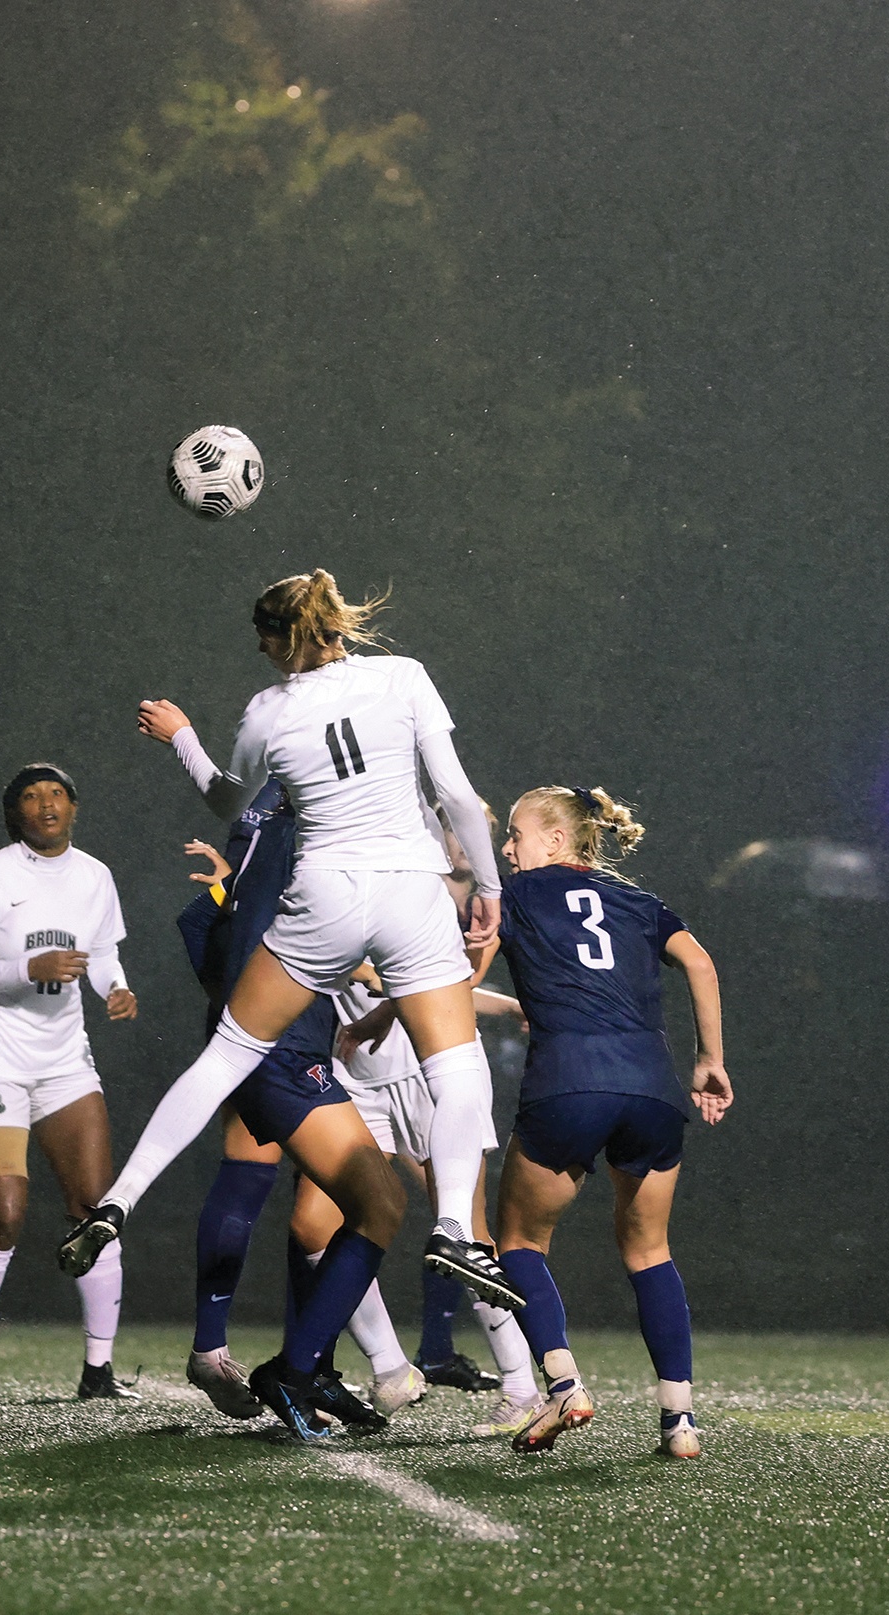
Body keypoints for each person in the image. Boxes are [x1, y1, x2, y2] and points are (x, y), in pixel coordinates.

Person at [59, 569, 513, 1436]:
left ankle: (119, 1198)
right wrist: (486, 884)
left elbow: (236, 802)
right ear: (341, 623)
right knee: (456, 1066)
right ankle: (455, 1225)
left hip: (329, 889)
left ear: (273, 640)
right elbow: (454, 793)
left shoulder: (267, 713)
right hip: (414, 885)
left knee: (226, 1052)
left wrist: (188, 740)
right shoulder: (404, 673)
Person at [489, 785, 732, 1458]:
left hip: (568, 1079)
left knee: (517, 1240)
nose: (508, 848)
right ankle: (679, 1421)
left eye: (517, 833)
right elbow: (701, 962)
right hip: (651, 1087)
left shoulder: (512, 898)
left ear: (557, 841)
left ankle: (564, 1383)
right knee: (649, 1249)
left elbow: (456, 978)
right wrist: (709, 1059)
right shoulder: (638, 902)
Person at [175, 789, 422, 1429]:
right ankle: (285, 1367)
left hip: (294, 1041)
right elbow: (203, 919)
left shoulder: (293, 812)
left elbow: (216, 919)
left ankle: (312, 1370)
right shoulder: (304, 817)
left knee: (321, 1212)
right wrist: (251, 1005)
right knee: (373, 1203)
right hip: (281, 1048)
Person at [0, 764, 138, 1403]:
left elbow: (102, 952)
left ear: (74, 806)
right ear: (14, 812)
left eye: (56, 793)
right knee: (4, 1213)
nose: (45, 804)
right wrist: (31, 968)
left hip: (64, 1065)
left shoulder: (95, 875)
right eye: (31, 795)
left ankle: (99, 1371)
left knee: (95, 1210)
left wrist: (117, 987)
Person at [331, 967, 546, 1438]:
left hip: (431, 1071)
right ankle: (388, 1370)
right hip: (354, 1073)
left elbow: (435, 975)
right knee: (322, 1226)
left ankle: (521, 1387)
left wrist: (509, 1006)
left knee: (465, 1234)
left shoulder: (407, 898)